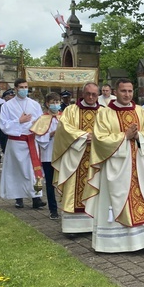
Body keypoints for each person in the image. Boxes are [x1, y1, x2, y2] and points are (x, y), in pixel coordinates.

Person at [85, 78, 144, 254]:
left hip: (140, 167)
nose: (127, 94)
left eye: (130, 91)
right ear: (115, 91)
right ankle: (114, 243)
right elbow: (99, 140)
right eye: (123, 91)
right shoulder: (105, 114)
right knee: (116, 201)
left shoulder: (142, 113)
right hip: (117, 166)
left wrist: (138, 137)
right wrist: (124, 136)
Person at [52, 82, 101, 233]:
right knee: (73, 189)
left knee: (96, 187)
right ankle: (72, 227)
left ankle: (95, 225)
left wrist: (98, 137)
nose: (91, 97)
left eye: (94, 94)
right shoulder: (71, 110)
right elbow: (64, 128)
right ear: (83, 94)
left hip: (97, 157)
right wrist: (84, 136)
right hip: (75, 157)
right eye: (88, 94)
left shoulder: (105, 112)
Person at [0, 78, 47, 210]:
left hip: (31, 141)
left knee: (33, 171)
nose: (24, 89)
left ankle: (36, 198)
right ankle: (18, 198)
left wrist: (36, 126)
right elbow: (3, 125)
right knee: (16, 171)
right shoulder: (7, 106)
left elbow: (41, 121)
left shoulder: (34, 104)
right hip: (16, 142)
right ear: (15, 89)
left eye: (26, 87)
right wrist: (19, 121)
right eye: (21, 87)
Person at [32, 92, 62, 220]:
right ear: (47, 104)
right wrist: (50, 134)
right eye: (53, 102)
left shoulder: (64, 117)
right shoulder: (42, 118)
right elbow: (38, 137)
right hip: (48, 154)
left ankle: (66, 208)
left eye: (57, 102)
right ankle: (53, 209)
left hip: (62, 154)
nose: (55, 105)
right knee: (50, 184)